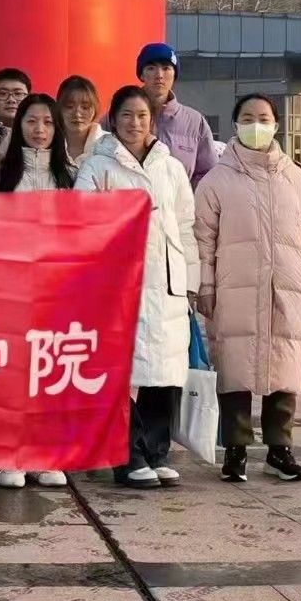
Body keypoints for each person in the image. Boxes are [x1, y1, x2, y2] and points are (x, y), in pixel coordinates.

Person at [193, 93, 301, 484]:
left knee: (285, 365)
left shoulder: (296, 180)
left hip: (287, 288)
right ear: (235, 125)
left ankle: (279, 448)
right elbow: (202, 238)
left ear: (276, 125)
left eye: (263, 117)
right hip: (234, 290)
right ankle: (235, 448)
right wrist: (204, 286)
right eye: (247, 118)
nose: (255, 125)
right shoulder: (217, 180)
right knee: (234, 368)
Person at [76, 85, 197, 489]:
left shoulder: (171, 167)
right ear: (113, 120)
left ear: (152, 120)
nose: (134, 123)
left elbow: (186, 226)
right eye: (126, 115)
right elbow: (83, 222)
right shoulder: (98, 166)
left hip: (166, 282)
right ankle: (126, 455)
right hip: (121, 286)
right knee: (123, 373)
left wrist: (191, 281)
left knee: (165, 371)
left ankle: (156, 451)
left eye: (142, 115)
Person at [0, 93, 77, 489]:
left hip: (57, 290)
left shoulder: (70, 176)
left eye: (47, 122)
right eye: (31, 121)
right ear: (19, 125)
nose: (39, 130)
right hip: (11, 290)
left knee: (50, 372)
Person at [136, 43, 218, 186]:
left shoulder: (194, 121)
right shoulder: (120, 115)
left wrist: (186, 196)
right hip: (132, 199)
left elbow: (209, 173)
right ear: (142, 74)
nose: (159, 75)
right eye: (151, 68)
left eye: (166, 68)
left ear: (175, 74)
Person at [58, 75, 105, 168]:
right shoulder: (47, 144)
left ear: (95, 109)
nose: (77, 113)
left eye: (85, 107)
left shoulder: (110, 146)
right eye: (69, 107)